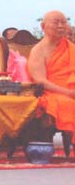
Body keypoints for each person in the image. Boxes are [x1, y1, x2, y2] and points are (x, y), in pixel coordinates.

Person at [28, 10, 75, 143]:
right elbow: (40, 80)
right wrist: (68, 92)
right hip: (51, 93)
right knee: (67, 103)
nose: (61, 26)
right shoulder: (38, 50)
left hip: (71, 90)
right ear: (43, 26)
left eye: (63, 22)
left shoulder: (70, 48)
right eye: (56, 23)